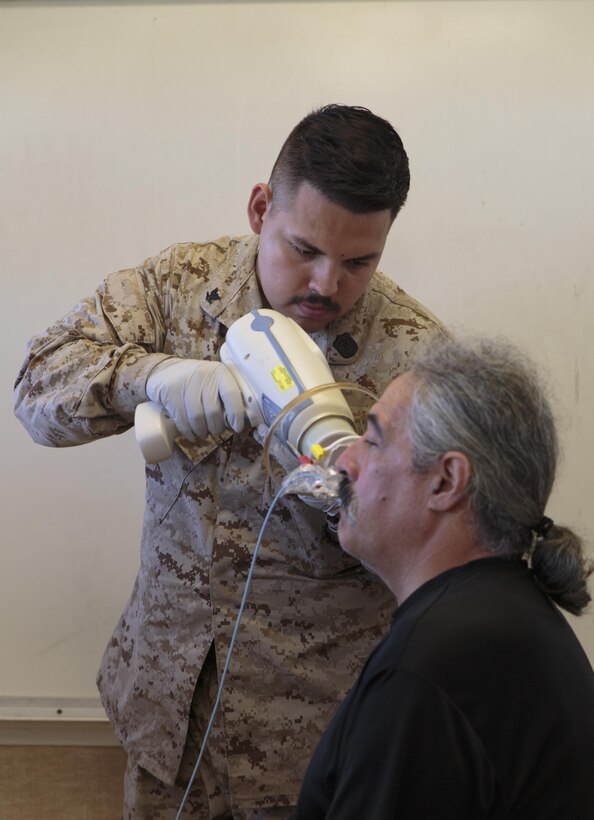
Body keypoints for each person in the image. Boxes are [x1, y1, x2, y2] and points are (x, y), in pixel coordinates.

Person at [13, 105, 446, 818]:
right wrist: (150, 378)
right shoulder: (177, 286)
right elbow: (35, 389)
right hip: (169, 709)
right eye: (303, 248)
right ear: (259, 207)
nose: (327, 284)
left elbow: (443, 550)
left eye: (359, 261)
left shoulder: (415, 357)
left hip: (312, 735)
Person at [292, 335, 594, 820]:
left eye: (372, 440)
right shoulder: (508, 612)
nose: (345, 460)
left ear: (446, 482)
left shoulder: (426, 669)